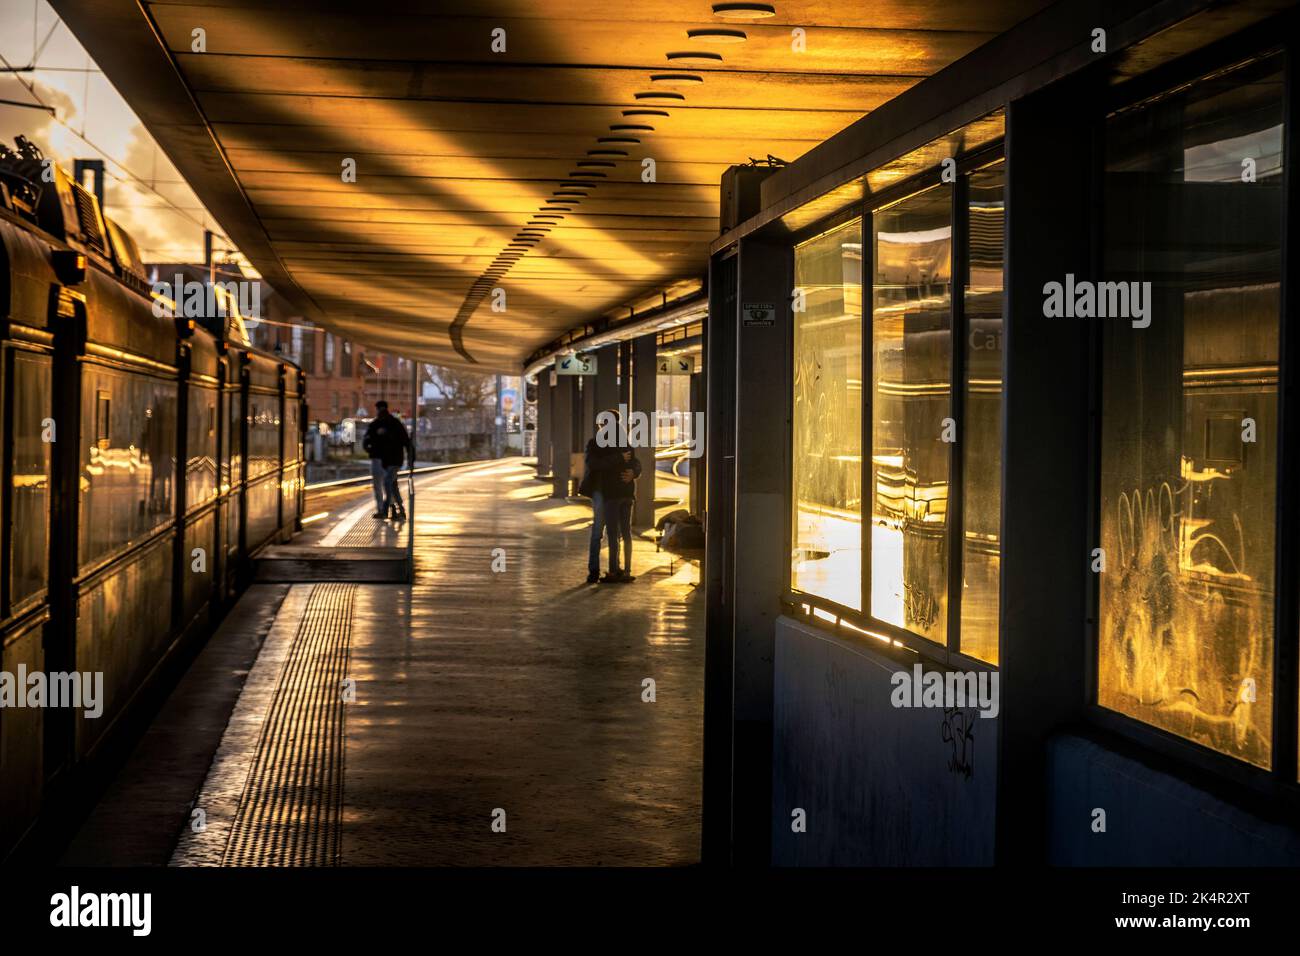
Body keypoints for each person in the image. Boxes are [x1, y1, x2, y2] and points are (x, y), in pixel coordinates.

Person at [599, 424, 640, 584]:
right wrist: (635, 472)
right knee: (626, 533)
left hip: (612, 497)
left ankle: (614, 571)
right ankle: (627, 571)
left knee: (613, 534)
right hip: (627, 496)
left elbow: (600, 467)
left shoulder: (607, 451)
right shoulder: (628, 448)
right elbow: (637, 464)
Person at [362, 400, 411, 520]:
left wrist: (371, 450)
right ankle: (395, 510)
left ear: (378, 409)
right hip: (391, 460)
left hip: (386, 461)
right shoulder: (395, 423)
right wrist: (409, 457)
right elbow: (406, 440)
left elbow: (365, 441)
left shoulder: (377, 424)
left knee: (385, 485)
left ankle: (385, 510)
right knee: (391, 485)